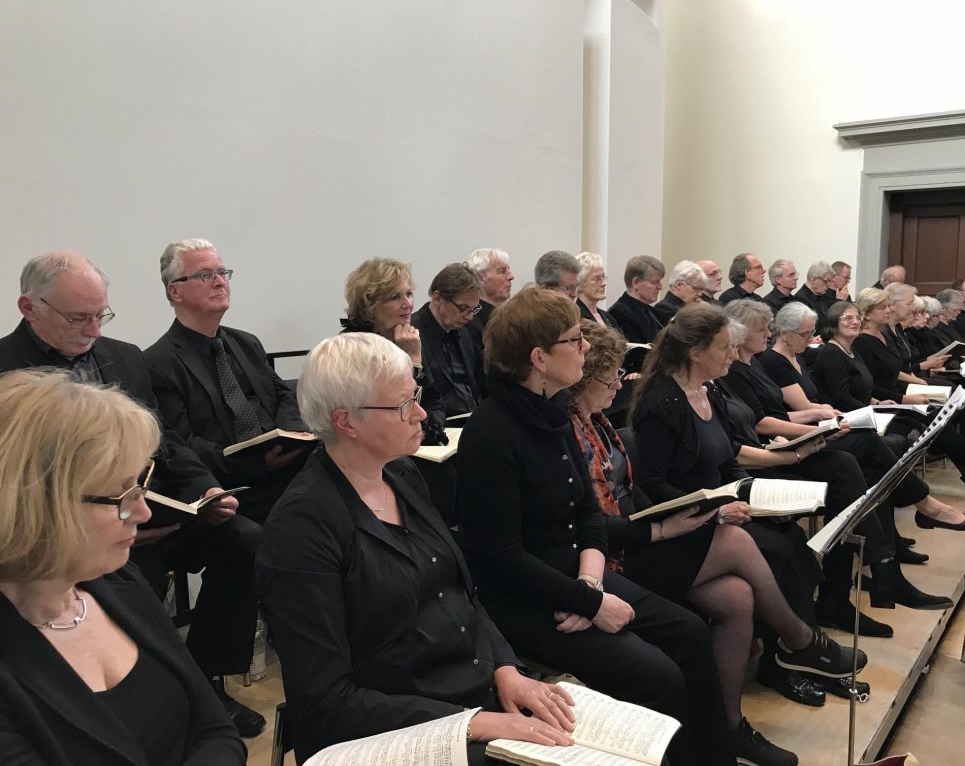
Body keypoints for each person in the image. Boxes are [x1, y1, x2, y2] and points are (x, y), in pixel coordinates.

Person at [256, 333, 574, 765]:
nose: (421, 413)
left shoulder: (401, 474)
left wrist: (506, 670)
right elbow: (327, 702)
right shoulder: (302, 528)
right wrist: (475, 722)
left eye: (416, 396)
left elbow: (463, 597)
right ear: (346, 422)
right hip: (393, 732)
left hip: (468, 698)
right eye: (403, 405)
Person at [458, 286, 734, 766]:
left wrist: (589, 585)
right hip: (524, 596)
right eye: (575, 340)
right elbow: (501, 558)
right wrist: (588, 601)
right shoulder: (490, 432)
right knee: (657, 676)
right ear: (539, 358)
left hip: (577, 576)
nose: (585, 347)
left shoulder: (555, 410)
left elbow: (588, 512)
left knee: (689, 632)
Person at [0, 250, 264, 736]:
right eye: (78, 317)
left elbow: (165, 441)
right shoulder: (6, 375)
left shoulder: (123, 357)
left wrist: (203, 489)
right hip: (70, 538)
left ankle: (207, 680)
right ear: (28, 307)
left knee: (243, 539)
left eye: (100, 315)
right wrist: (104, 522)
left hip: (147, 509)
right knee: (132, 577)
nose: (93, 329)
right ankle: (126, 701)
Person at [572, 320, 860, 761]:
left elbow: (699, 467)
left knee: (737, 596)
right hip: (617, 556)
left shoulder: (597, 424)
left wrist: (722, 502)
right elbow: (600, 515)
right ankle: (802, 642)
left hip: (642, 532)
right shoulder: (603, 421)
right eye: (610, 379)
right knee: (738, 542)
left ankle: (728, 728)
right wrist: (671, 525)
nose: (619, 386)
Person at [0, 369, 246, 765]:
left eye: (139, 487)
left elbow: (216, 729)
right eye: (122, 495)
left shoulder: (119, 582)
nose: (143, 512)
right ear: (37, 507)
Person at [722, 298, 958, 610]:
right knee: (860, 452)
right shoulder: (738, 370)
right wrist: (815, 429)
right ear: (741, 333)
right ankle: (894, 549)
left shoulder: (754, 363)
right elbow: (759, 423)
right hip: (774, 456)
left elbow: (775, 413)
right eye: (762, 329)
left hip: (789, 442)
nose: (768, 333)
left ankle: (871, 578)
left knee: (862, 472)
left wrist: (819, 420)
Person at [145, 239, 309, 526]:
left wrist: (292, 436)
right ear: (175, 290)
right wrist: (257, 463)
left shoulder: (246, 343)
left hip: (288, 470)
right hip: (233, 487)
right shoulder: (158, 362)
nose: (220, 282)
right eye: (205, 275)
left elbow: (284, 395)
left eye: (223, 273)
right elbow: (181, 444)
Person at [811, 300, 965, 534]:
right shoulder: (831, 352)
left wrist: (877, 403)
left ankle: (900, 532)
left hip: (866, 411)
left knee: (919, 421)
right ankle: (929, 504)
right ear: (833, 323)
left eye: (856, 317)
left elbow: (865, 390)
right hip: (849, 419)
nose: (854, 322)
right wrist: (878, 407)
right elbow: (842, 399)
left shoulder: (850, 349)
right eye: (847, 318)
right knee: (902, 435)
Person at [853, 288, 965, 491]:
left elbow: (894, 373)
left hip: (899, 393)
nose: (889, 310)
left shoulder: (882, 335)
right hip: (888, 401)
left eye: (889, 305)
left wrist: (915, 389)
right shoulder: (863, 342)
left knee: (949, 405)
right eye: (883, 307)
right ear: (868, 313)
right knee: (935, 414)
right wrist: (905, 397)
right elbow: (873, 387)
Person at [339, 257, 448, 443]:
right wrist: (413, 362)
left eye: (409, 294)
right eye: (395, 297)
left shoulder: (406, 338)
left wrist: (431, 428)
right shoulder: (352, 349)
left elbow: (435, 400)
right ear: (370, 306)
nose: (408, 304)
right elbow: (391, 412)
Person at [412, 263, 485, 417]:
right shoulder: (411, 334)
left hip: (471, 419)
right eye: (463, 308)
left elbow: (477, 385)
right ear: (437, 298)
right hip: (436, 423)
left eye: (473, 310)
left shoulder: (465, 332)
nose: (469, 317)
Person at [608, 255, 667, 343]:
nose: (660, 287)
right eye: (654, 282)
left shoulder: (652, 311)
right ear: (635, 283)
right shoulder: (619, 313)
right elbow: (636, 350)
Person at [465, 247, 514, 350]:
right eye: (502, 271)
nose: (511, 276)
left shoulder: (512, 316)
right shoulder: (469, 321)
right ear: (480, 278)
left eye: (509, 269)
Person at [653, 259, 706, 324]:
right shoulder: (664, 308)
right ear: (679, 285)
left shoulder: (688, 307)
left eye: (701, 289)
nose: (700, 294)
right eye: (696, 288)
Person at [575, 251, 618, 328]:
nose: (604, 283)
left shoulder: (609, 318)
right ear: (579, 282)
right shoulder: (575, 318)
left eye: (603, 277)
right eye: (596, 279)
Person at [793, 261, 835, 332]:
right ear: (813, 279)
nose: (828, 285)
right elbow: (812, 330)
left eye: (830, 281)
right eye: (826, 281)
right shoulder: (800, 300)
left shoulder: (822, 296)